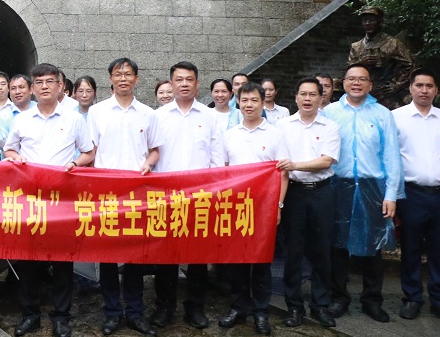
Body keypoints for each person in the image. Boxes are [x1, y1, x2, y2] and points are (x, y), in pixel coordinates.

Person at [4, 63, 95, 337]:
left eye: (50, 81)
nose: (44, 86)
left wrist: (74, 163)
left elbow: (89, 152)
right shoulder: (22, 119)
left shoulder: (74, 119)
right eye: (39, 82)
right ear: (32, 89)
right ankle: (29, 314)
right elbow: (9, 149)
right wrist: (16, 158)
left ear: (60, 87)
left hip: (62, 201)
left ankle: (61, 316)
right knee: (28, 260)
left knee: (63, 261)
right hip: (30, 199)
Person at [324, 63, 403, 322]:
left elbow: (392, 155)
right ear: (343, 83)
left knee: (373, 244)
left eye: (362, 79)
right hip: (338, 184)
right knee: (337, 245)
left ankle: (372, 300)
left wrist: (391, 194)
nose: (356, 83)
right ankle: (339, 297)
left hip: (373, 186)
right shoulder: (330, 113)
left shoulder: (382, 114)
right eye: (351, 79)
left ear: (370, 84)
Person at [88, 57, 160, 337]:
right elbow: (91, 151)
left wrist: (149, 164)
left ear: (136, 79)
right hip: (106, 194)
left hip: (138, 194)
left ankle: (135, 312)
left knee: (135, 256)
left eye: (128, 74)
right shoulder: (97, 112)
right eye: (118, 74)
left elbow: (155, 150)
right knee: (107, 256)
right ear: (110, 79)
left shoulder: (148, 113)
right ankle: (111, 312)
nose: (123, 79)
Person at [150, 61, 222, 330]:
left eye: (189, 79)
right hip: (166, 196)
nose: (184, 84)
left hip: (200, 195)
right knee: (165, 256)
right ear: (171, 83)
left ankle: (195, 307)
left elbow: (217, 157)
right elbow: (152, 153)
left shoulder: (210, 116)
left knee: (198, 256)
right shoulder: (158, 116)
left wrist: (214, 191)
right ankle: (165, 306)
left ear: (197, 84)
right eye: (179, 79)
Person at [218, 82, 289, 336]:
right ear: (238, 102)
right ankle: (238, 307)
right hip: (236, 206)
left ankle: (261, 312)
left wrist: (278, 205)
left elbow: (283, 174)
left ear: (263, 102)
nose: (249, 105)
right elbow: (223, 171)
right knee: (236, 261)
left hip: (264, 207)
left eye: (254, 100)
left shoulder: (276, 134)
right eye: (244, 100)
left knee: (260, 262)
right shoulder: (230, 134)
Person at [392, 70, 440, 324]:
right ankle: (412, 298)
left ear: (436, 90)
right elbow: (390, 157)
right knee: (410, 248)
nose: (424, 90)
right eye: (419, 85)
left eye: (429, 86)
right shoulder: (396, 118)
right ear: (410, 88)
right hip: (411, 193)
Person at [276, 78, 340, 328]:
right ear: (295, 97)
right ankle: (294, 307)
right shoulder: (282, 125)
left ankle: (320, 305)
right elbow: (277, 162)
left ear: (321, 97)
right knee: (293, 251)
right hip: (293, 194)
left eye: (313, 94)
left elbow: (326, 161)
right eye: (303, 94)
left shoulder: (330, 126)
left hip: (322, 193)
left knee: (321, 250)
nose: (307, 99)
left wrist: (294, 164)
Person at [347, 5, 414, 109]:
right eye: (365, 20)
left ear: (380, 22)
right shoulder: (356, 46)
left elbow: (410, 65)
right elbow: (349, 70)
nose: (367, 23)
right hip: (362, 94)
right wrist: (361, 63)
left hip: (385, 94)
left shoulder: (393, 43)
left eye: (372, 20)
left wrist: (397, 85)